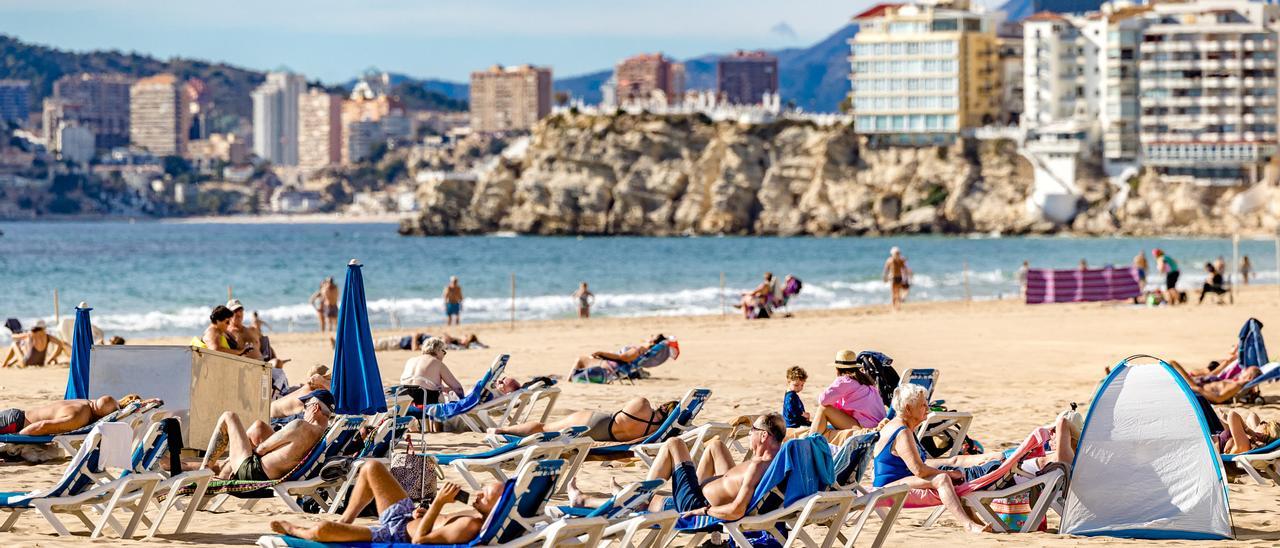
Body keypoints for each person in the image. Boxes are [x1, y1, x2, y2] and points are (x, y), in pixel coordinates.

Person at [269, 462, 501, 544]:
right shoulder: (473, 517)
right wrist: (424, 513)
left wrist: (439, 503)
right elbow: (433, 524)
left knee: (322, 530)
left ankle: (294, 530)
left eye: (486, 495)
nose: (479, 494)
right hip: (407, 515)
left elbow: (420, 540)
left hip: (395, 533)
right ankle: (346, 519)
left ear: (495, 507)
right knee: (371, 468)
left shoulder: (470, 527)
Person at [873, 384, 992, 534]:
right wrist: (950, 474)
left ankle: (975, 521)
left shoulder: (903, 427)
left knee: (951, 474)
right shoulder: (902, 432)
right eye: (923, 405)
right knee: (941, 479)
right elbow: (919, 470)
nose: (928, 409)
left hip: (901, 478)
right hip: (888, 485)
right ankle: (967, 524)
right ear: (908, 409)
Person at [641, 413, 785, 520]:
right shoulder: (776, 461)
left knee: (674, 443)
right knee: (716, 446)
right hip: (711, 493)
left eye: (753, 429)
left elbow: (736, 511)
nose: (749, 432)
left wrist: (704, 511)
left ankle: (641, 499)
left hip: (696, 505)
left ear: (764, 435)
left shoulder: (758, 466)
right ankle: (676, 490)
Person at [200, 398, 330, 481]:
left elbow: (262, 449)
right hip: (278, 473)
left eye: (306, 406)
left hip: (253, 473)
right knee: (259, 427)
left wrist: (249, 449)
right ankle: (224, 469)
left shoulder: (300, 425)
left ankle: (202, 472)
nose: (303, 411)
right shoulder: (323, 435)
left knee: (228, 416)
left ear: (315, 408)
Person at [491, 397, 677, 443]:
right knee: (546, 431)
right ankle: (506, 432)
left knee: (543, 427)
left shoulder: (642, 404)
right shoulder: (654, 431)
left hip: (596, 421)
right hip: (603, 437)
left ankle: (503, 431)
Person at [807, 350, 887, 443]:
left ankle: (811, 442)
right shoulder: (864, 380)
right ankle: (813, 437)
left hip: (865, 427)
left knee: (823, 409)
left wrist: (836, 381)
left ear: (837, 368)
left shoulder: (845, 381)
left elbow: (823, 400)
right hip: (877, 423)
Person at [0, 396, 121, 436]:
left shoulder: (86, 402)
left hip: (16, 416)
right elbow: (42, 426)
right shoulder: (79, 417)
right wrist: (15, 439)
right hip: (15, 424)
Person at [398, 338, 465, 406]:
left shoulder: (410, 360)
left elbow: (416, 382)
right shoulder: (437, 363)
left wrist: (442, 388)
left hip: (403, 400)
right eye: (444, 352)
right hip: (425, 401)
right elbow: (458, 388)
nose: (444, 355)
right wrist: (462, 401)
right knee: (443, 395)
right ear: (438, 350)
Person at [570, 334, 668, 378]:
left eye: (652, 336)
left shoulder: (638, 351)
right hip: (614, 369)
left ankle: (569, 380)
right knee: (583, 363)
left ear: (652, 341)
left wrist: (601, 353)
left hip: (610, 368)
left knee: (580, 359)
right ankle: (572, 377)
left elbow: (622, 358)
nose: (650, 335)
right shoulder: (643, 354)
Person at [1167, 360, 1261, 404]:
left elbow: (1219, 399)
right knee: (1172, 365)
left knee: (1173, 363)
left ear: (1249, 377)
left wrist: (1197, 389)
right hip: (1197, 385)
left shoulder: (1236, 385)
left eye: (1246, 370)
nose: (1243, 371)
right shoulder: (1234, 382)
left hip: (1195, 387)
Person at [1, 320, 68, 368]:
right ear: (43, 328)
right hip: (40, 363)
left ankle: (4, 364)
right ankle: (10, 363)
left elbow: (14, 337)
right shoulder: (48, 336)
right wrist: (51, 358)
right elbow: (60, 344)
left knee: (14, 344)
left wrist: (14, 334)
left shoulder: (30, 334)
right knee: (23, 347)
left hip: (25, 364)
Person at [1215, 409, 1280, 454]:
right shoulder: (1248, 439)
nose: (1261, 423)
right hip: (1212, 441)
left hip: (1209, 449)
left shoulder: (1245, 445)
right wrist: (1252, 432)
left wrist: (1248, 430)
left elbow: (1232, 414)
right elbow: (1252, 415)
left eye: (1264, 423)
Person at [374, 331, 486, 352]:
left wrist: (414, 337)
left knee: (374, 344)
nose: (462, 336)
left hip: (400, 342)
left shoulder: (446, 346)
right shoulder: (453, 342)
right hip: (402, 340)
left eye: (465, 336)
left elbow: (415, 349)